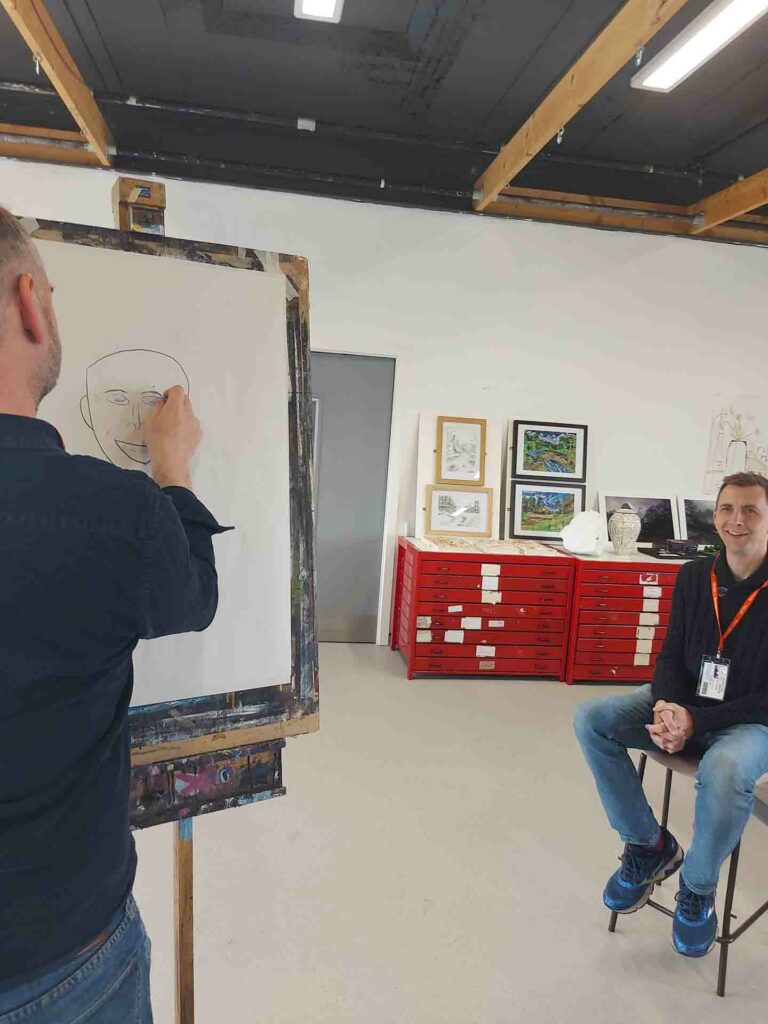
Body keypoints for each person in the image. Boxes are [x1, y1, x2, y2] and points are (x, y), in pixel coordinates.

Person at [0, 206, 232, 1021]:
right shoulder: (116, 512)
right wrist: (172, 471)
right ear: (31, 302)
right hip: (60, 953)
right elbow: (194, 599)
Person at [574, 471, 768, 958]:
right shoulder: (692, 575)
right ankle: (648, 847)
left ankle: (698, 890)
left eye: (751, 510)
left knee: (724, 769)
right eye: (726, 508)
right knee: (593, 718)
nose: (736, 520)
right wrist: (665, 705)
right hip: (688, 704)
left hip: (753, 720)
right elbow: (670, 654)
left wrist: (695, 724)